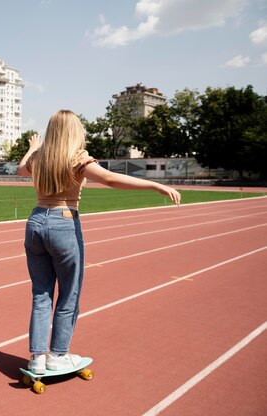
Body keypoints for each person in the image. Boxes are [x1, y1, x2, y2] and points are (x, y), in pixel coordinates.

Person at [17, 110, 181, 374]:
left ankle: (37, 357)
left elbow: (21, 170)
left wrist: (33, 148)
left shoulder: (39, 157)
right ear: (74, 131)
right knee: (69, 294)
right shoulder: (77, 157)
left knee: (41, 294)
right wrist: (154, 186)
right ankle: (58, 355)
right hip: (64, 221)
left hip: (35, 222)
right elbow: (111, 179)